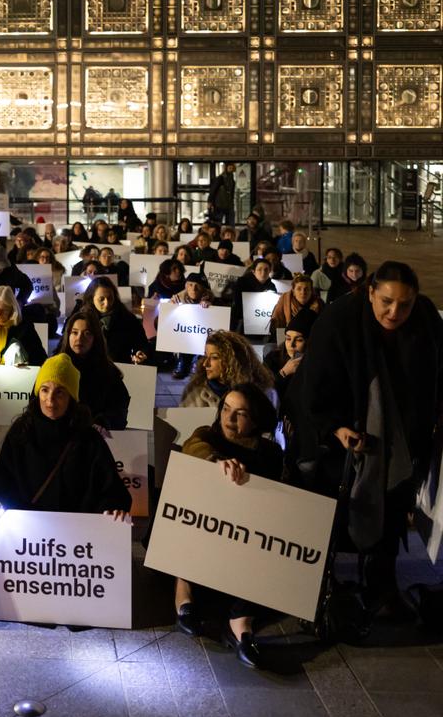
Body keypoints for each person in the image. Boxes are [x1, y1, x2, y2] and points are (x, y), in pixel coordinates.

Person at [297, 261, 443, 618]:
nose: (395, 312)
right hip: (347, 432)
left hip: (403, 436)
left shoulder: (424, 317)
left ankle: (382, 584)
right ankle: (323, 583)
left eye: (405, 304)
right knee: (340, 508)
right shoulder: (338, 319)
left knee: (394, 509)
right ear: (370, 292)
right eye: (387, 302)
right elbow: (315, 382)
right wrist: (335, 426)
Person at [174, 383, 282, 669]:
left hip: (246, 534)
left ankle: (242, 628)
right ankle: (184, 595)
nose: (229, 418)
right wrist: (216, 462)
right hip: (205, 527)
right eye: (226, 409)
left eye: (240, 413)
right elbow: (193, 448)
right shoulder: (207, 436)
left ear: (256, 419)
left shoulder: (270, 453)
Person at [0, 353, 132, 518]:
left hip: (75, 536)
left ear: (71, 397)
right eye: (45, 390)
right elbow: (2, 482)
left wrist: (114, 506)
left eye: (60, 392)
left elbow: (110, 487)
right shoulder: (22, 431)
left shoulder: (87, 438)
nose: (50, 400)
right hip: (27, 535)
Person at [57, 309, 130, 430]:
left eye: (87, 333)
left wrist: (103, 422)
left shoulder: (107, 371)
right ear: (68, 335)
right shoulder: (56, 366)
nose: (79, 338)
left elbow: (119, 409)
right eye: (75, 333)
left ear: (95, 338)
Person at [179, 330, 274, 409]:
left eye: (214, 357)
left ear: (232, 361)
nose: (205, 363)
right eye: (205, 356)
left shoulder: (262, 394)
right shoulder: (194, 392)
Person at [88, 278, 148, 365]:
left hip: (120, 369)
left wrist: (140, 353)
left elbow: (141, 342)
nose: (107, 303)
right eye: (101, 299)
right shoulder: (84, 319)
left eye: (110, 298)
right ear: (91, 298)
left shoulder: (127, 318)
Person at [230, 259, 278, 333]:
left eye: (266, 270)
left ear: (270, 271)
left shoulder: (272, 286)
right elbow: (237, 305)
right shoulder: (241, 282)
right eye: (259, 269)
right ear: (253, 271)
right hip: (242, 323)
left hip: (262, 324)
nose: (263, 273)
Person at [268, 274, 322, 339]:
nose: (303, 292)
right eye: (299, 289)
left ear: (311, 291)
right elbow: (277, 328)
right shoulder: (284, 301)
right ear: (293, 292)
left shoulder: (319, 304)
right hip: (286, 341)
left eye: (306, 289)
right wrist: (283, 346)